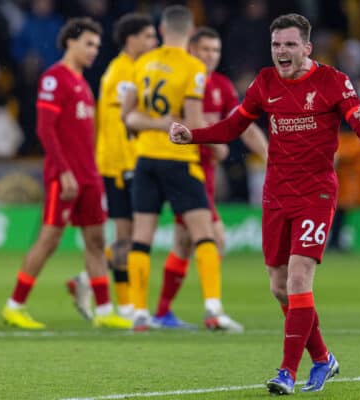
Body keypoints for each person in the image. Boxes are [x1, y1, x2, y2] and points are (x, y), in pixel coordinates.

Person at [169, 13, 360, 395]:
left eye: (289, 45)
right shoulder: (265, 81)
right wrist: (193, 135)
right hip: (276, 194)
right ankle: (323, 359)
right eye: (276, 45)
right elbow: (235, 125)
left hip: (316, 194)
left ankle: (286, 371)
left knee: (299, 278)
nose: (281, 52)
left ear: (307, 48)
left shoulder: (333, 81)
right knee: (280, 288)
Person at [1, 17, 132, 330]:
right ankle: (14, 305)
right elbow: (45, 130)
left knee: (97, 240)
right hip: (66, 176)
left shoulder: (82, 83)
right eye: (88, 44)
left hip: (89, 175)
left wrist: (89, 172)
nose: (94, 51)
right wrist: (64, 172)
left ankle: (103, 310)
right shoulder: (54, 79)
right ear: (70, 42)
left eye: (97, 46)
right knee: (48, 239)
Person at [152, 26, 268, 332]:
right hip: (183, 171)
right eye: (205, 50)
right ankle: (211, 310)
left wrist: (270, 156)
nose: (211, 57)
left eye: (215, 51)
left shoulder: (220, 86)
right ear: (191, 49)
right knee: (213, 239)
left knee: (184, 243)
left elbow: (244, 125)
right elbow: (182, 125)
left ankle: (162, 312)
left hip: (206, 177)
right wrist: (213, 141)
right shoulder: (182, 79)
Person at [120, 5, 219, 331]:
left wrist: (156, 124)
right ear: (190, 33)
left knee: (141, 237)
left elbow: (128, 116)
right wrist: (214, 137)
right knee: (203, 234)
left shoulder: (143, 62)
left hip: (145, 158)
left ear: (162, 30)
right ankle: (213, 308)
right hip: (180, 161)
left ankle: (138, 312)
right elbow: (191, 123)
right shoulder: (193, 67)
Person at [66, 13, 158, 320]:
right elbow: (116, 126)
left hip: (128, 161)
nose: (154, 42)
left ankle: (87, 280)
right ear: (131, 40)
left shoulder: (135, 69)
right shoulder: (121, 72)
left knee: (129, 236)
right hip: (121, 164)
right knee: (126, 237)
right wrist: (126, 166)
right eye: (148, 36)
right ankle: (127, 306)